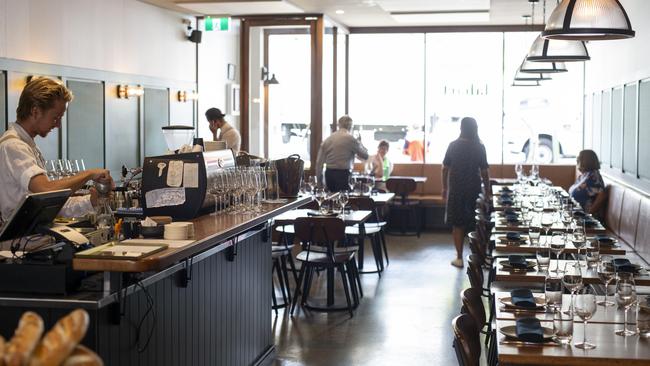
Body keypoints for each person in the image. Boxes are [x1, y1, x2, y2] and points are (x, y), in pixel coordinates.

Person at [0, 77, 113, 223]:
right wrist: (88, 174)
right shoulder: (13, 146)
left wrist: (90, 200)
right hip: (23, 242)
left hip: (37, 238)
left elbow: (51, 203)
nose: (58, 125)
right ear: (35, 111)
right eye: (55, 117)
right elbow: (46, 190)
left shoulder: (28, 146)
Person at [442, 117, 491, 268]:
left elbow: (445, 168)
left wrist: (444, 188)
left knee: (457, 224)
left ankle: (459, 258)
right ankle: (478, 256)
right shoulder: (479, 147)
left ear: (461, 128)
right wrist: (487, 191)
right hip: (474, 189)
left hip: (456, 189)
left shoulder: (453, 146)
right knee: (476, 223)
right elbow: (484, 172)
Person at [316, 115, 369, 192]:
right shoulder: (351, 139)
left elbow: (319, 163)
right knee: (343, 200)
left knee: (332, 199)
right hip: (344, 175)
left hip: (329, 174)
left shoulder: (328, 139)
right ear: (351, 126)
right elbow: (365, 156)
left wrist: (319, 182)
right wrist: (360, 143)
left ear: (338, 125)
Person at [569, 149, 606, 215]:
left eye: (578, 160)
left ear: (586, 161)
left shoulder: (594, 176)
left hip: (586, 220)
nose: (577, 162)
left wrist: (588, 215)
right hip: (576, 213)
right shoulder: (585, 175)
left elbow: (602, 196)